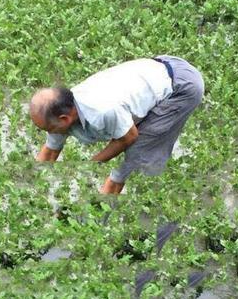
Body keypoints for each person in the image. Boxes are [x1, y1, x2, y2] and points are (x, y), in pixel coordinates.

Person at [30, 55, 204, 195]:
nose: (50, 133)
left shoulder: (102, 110)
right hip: (154, 71)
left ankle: (110, 201)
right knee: (132, 124)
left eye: (49, 129)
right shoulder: (63, 106)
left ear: (64, 119)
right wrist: (32, 184)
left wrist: (91, 165)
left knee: (140, 151)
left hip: (181, 86)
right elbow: (50, 150)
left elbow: (128, 137)